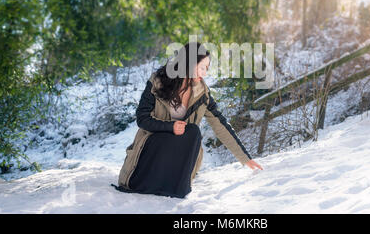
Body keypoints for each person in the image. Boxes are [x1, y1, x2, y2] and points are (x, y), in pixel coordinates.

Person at [112, 42, 263, 198]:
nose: (204, 73)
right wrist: (170, 127)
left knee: (192, 132)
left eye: (207, 68)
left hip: (177, 162)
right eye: (202, 67)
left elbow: (220, 124)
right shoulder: (158, 82)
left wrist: (245, 159)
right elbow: (142, 119)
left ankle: (177, 188)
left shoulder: (202, 93)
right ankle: (145, 182)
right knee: (189, 131)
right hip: (151, 152)